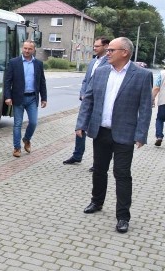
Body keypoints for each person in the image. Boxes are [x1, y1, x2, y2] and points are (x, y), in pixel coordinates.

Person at [76, 37, 152, 234]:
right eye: (107, 50)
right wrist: (81, 124)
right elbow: (88, 100)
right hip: (100, 131)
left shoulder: (142, 75)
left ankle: (123, 217)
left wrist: (141, 134)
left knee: (122, 174)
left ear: (124, 52)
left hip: (125, 133)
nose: (107, 53)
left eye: (112, 50)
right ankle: (96, 202)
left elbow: (145, 107)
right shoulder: (100, 72)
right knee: (99, 170)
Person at [63, 37, 110, 168]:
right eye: (94, 46)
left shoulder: (109, 63)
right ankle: (77, 155)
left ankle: (97, 163)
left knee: (97, 132)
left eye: (97, 46)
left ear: (106, 46)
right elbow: (86, 80)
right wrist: (82, 93)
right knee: (80, 127)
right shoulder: (93, 61)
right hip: (86, 101)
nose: (94, 48)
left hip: (99, 103)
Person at [4, 40, 47, 157]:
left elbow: (42, 82)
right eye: (25, 48)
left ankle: (26, 139)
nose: (27, 51)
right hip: (18, 98)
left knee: (33, 122)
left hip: (32, 97)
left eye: (29, 49)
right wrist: (7, 97)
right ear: (22, 48)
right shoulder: (14, 62)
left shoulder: (38, 64)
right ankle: (17, 148)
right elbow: (7, 81)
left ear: (33, 50)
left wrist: (44, 98)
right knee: (17, 124)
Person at [152, 68, 165, 146]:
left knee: (159, 119)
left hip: (163, 102)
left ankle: (159, 136)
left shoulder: (162, 73)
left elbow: (156, 88)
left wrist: (152, 99)